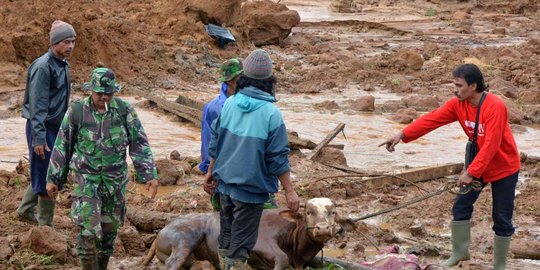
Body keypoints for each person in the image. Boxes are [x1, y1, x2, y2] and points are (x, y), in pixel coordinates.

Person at [379, 64, 520, 270]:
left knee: (501, 217)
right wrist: (403, 134)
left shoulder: (495, 107)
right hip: (478, 164)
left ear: (473, 86)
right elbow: (432, 119)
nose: (455, 89)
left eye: (459, 85)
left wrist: (470, 172)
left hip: (504, 167)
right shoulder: (458, 104)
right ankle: (459, 253)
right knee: (461, 207)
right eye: (454, 84)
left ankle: (499, 265)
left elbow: (491, 146)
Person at [45, 67, 159, 269]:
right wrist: (54, 178)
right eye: (99, 93)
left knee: (108, 236)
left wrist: (148, 174)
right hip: (86, 181)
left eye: (108, 93)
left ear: (114, 92)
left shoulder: (125, 111)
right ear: (91, 90)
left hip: (114, 185)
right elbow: (62, 145)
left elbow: (139, 144)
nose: (104, 97)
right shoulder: (77, 111)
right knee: (88, 234)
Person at [204, 49, 300, 270]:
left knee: (227, 234)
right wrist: (289, 190)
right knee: (242, 242)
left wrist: (210, 171)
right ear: (269, 80)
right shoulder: (271, 114)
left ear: (244, 77)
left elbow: (215, 141)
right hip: (251, 189)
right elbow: (277, 157)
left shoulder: (229, 103)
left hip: (225, 184)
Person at [16, 20, 76, 226]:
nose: (71, 46)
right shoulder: (43, 67)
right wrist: (39, 138)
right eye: (66, 42)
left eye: (73, 42)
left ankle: (24, 209)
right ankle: (45, 227)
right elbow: (37, 107)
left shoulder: (62, 64)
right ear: (54, 43)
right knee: (47, 174)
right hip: (41, 127)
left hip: (54, 127)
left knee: (47, 170)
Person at [200, 58, 278, 211]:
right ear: (229, 81)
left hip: (253, 174)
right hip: (226, 176)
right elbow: (209, 143)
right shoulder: (215, 108)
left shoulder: (255, 101)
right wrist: (209, 171)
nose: (246, 82)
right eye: (241, 78)